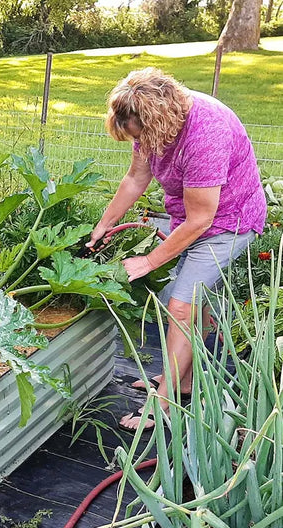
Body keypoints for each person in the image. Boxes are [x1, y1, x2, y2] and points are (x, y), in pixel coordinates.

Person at [87, 68, 267, 432]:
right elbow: (137, 177)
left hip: (227, 224)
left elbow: (203, 219)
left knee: (180, 306)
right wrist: (105, 222)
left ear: (156, 118)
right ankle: (184, 382)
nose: (139, 142)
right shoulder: (153, 123)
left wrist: (148, 261)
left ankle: (164, 402)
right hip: (188, 220)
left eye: (139, 134)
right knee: (186, 301)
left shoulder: (206, 133)